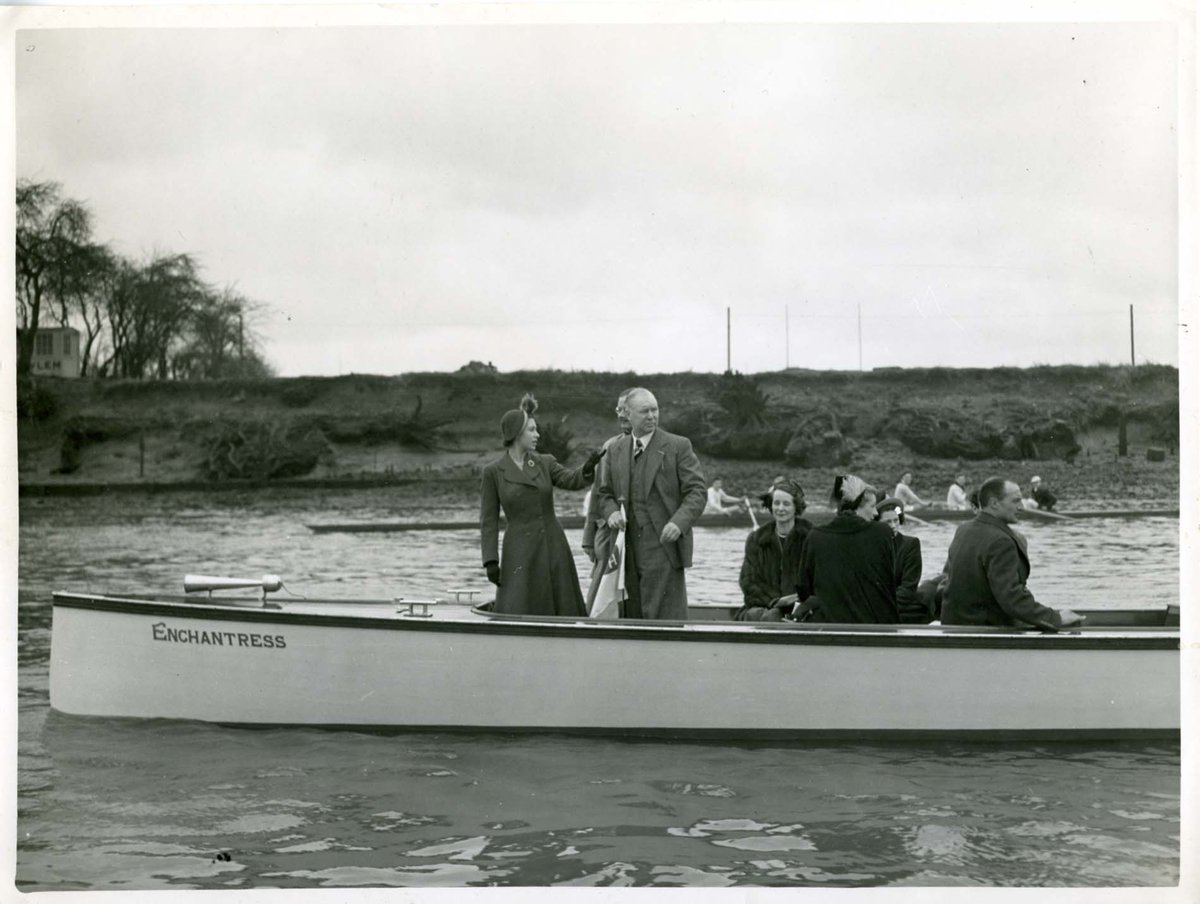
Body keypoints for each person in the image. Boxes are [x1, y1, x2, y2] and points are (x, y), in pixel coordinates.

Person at [480, 394, 604, 617]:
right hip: (519, 549)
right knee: (519, 606)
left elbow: (572, 480)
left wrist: (588, 468)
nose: (537, 435)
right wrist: (490, 561)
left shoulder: (545, 462)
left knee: (562, 606)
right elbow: (488, 521)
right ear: (516, 433)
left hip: (552, 543)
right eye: (532, 430)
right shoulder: (493, 472)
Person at [596, 387, 707, 619]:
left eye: (655, 410)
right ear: (627, 415)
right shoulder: (615, 450)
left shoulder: (678, 446)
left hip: (664, 547)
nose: (652, 416)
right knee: (630, 616)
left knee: (665, 618)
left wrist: (678, 523)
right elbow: (604, 493)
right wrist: (611, 513)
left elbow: (697, 491)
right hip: (625, 551)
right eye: (644, 411)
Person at [941, 477, 1084, 631]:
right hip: (987, 631)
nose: (1021, 507)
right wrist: (1055, 618)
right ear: (994, 503)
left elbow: (946, 581)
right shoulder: (1001, 541)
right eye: (1015, 501)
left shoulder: (963, 530)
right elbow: (1011, 598)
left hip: (954, 625)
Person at [795, 475, 899, 624]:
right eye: (872, 506)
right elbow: (889, 583)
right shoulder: (882, 532)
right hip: (876, 624)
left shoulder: (814, 536)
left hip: (831, 624)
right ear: (857, 507)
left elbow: (803, 589)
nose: (876, 513)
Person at [735, 479, 812, 621]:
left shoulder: (811, 538)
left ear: (796, 507)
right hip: (764, 607)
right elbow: (749, 583)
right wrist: (776, 602)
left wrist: (796, 603)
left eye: (786, 504)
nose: (780, 508)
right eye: (776, 503)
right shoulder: (756, 539)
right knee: (768, 616)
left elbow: (819, 582)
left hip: (802, 608)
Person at [581, 389, 633, 563]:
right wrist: (589, 540)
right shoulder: (609, 446)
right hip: (610, 538)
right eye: (619, 410)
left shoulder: (662, 446)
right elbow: (598, 492)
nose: (621, 416)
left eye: (626, 409)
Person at [874, 496, 930, 623]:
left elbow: (908, 587)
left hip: (899, 606)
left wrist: (883, 608)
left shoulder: (910, 544)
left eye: (895, 520)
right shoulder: (869, 546)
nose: (893, 526)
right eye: (887, 522)